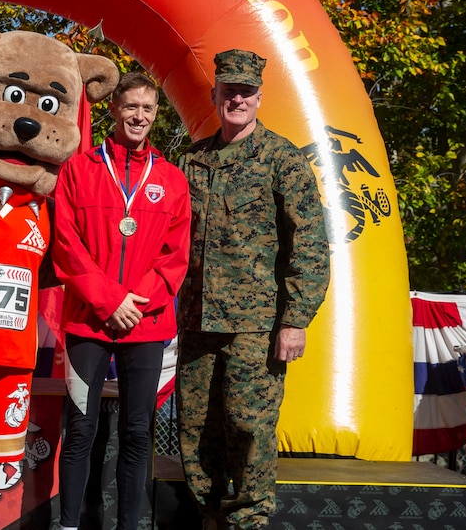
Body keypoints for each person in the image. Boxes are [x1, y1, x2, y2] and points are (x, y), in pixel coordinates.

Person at [176, 49, 330, 529]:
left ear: (260, 97)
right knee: (195, 428)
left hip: (256, 326)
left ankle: (249, 520)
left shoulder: (282, 159)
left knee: (250, 428)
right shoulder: (191, 161)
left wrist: (295, 320)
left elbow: (310, 244)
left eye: (246, 91)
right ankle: (206, 515)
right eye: (229, 90)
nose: (237, 98)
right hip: (198, 320)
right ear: (215, 94)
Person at [52, 71, 192, 530]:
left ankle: (128, 526)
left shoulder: (172, 180)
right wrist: (110, 301)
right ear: (114, 109)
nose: (139, 116)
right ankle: (69, 524)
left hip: (146, 324)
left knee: (137, 434)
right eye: (131, 106)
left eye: (148, 109)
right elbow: (66, 245)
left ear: (155, 115)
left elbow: (176, 258)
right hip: (87, 322)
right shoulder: (78, 169)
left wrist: (136, 302)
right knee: (80, 432)